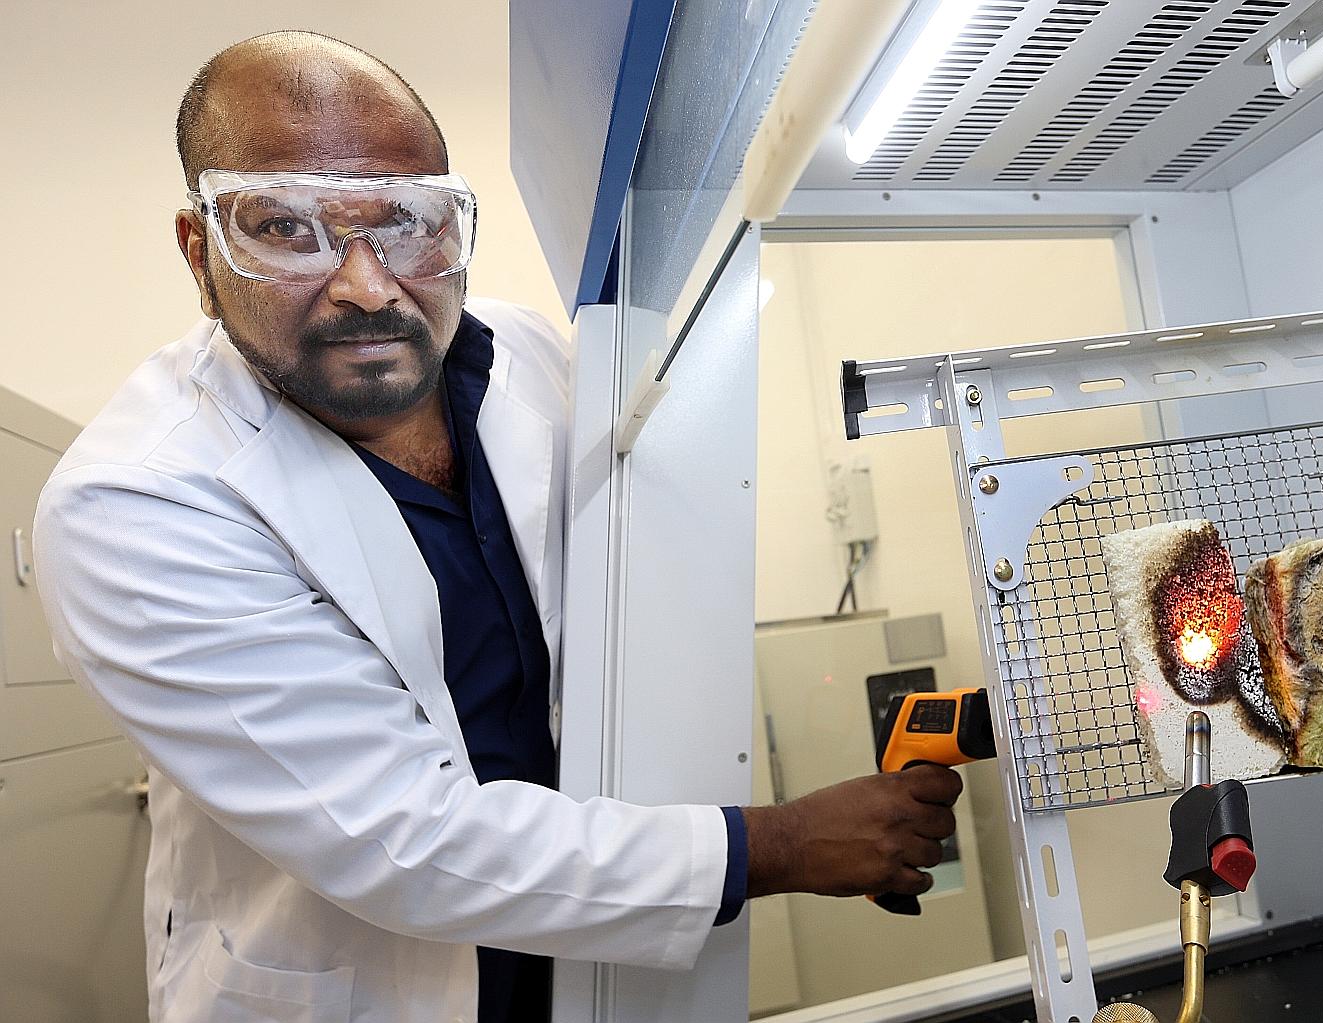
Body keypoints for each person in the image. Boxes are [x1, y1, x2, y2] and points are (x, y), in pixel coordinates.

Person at [32, 31, 963, 1023]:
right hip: (357, 985)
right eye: (285, 228)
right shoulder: (136, 502)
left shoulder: (524, 357)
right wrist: (774, 844)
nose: (367, 284)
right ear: (199, 250)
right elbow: (403, 841)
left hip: (592, 957)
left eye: (406, 222)